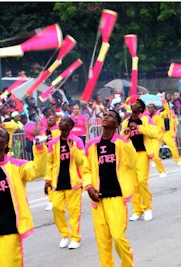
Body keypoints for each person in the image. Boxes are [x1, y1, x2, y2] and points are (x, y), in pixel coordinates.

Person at [83, 110, 137, 267]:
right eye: (105, 115)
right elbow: (86, 170)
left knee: (118, 237)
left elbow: (132, 163)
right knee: (103, 242)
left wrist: (127, 142)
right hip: (98, 200)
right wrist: (89, 187)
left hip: (117, 198)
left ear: (117, 124)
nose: (106, 117)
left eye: (110, 116)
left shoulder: (121, 142)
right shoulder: (92, 145)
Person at [0, 126, 47, 267]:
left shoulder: (16, 166)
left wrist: (40, 150)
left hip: (8, 231)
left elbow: (37, 170)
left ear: (6, 143)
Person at [44, 116, 85, 249]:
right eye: (60, 121)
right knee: (56, 208)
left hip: (74, 182)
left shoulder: (77, 141)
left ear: (70, 126)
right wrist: (48, 179)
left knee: (74, 212)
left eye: (64, 121)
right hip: (58, 182)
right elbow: (49, 162)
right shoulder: (53, 143)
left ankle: (75, 238)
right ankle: (64, 234)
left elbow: (82, 162)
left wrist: (73, 149)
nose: (60, 122)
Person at [122, 98, 159, 222]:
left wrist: (139, 127)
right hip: (130, 155)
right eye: (133, 103)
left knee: (142, 181)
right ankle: (137, 210)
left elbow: (155, 134)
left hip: (142, 153)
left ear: (141, 108)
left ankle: (147, 208)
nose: (134, 105)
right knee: (134, 184)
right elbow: (122, 139)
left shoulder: (146, 120)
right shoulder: (125, 122)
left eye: (137, 104)